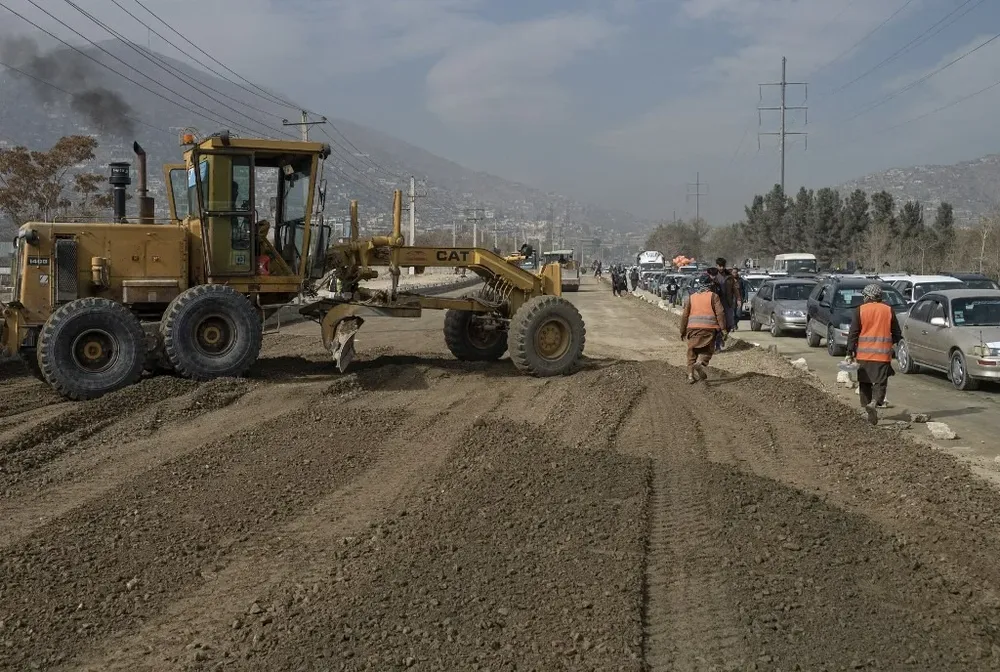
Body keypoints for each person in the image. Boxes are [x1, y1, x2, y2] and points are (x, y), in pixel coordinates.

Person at [846, 283, 902, 426]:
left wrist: (849, 351)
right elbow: (897, 333)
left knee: (864, 382)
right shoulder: (888, 310)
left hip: (864, 355)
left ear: (868, 296)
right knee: (880, 382)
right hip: (882, 356)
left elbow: (853, 333)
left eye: (864, 296)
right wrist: (891, 343)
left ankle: (867, 407)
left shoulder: (860, 310)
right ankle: (874, 403)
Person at [680, 275, 729, 383]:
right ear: (710, 285)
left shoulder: (692, 297)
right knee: (707, 350)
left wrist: (682, 331)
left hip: (692, 329)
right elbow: (720, 313)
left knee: (691, 351)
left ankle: (690, 375)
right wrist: (723, 329)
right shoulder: (713, 296)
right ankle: (700, 363)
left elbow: (684, 315)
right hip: (709, 329)